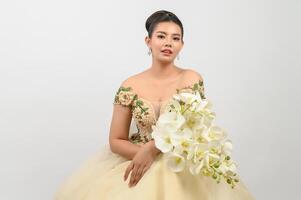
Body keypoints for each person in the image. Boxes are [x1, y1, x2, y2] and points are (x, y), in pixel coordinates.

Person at [55, 10, 256, 200]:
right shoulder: (130, 85)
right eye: (161, 36)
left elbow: (191, 129)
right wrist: (144, 154)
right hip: (137, 161)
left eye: (175, 38)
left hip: (180, 163)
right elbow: (116, 139)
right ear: (148, 41)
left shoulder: (190, 78)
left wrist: (154, 149)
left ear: (182, 45)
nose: (168, 43)